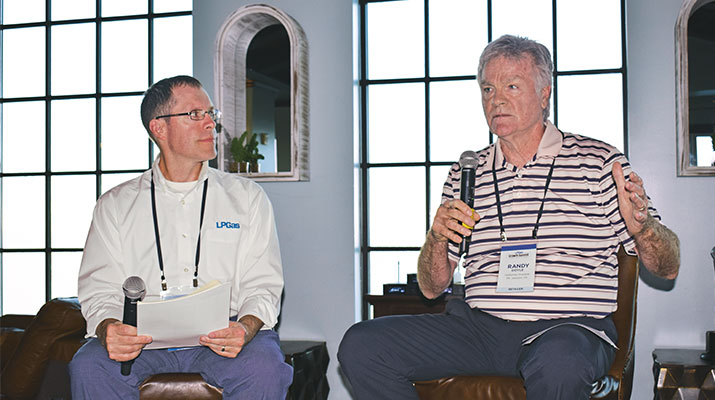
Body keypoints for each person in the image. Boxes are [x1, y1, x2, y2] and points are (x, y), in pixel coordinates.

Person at [338, 35, 680, 399]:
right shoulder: (466, 172)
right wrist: (436, 239)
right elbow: (431, 287)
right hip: (478, 330)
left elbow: (667, 267)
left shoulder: (598, 162)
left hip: (564, 330)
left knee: (559, 362)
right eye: (487, 88)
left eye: (511, 86)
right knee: (361, 344)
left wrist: (642, 228)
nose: (495, 99)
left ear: (544, 94)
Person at [69, 75, 293, 399]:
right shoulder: (115, 205)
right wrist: (108, 329)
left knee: (265, 367)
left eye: (210, 114)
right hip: (142, 338)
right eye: (195, 114)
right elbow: (100, 290)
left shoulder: (247, 197)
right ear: (159, 127)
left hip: (223, 333)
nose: (210, 125)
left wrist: (244, 328)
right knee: (88, 367)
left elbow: (263, 285)